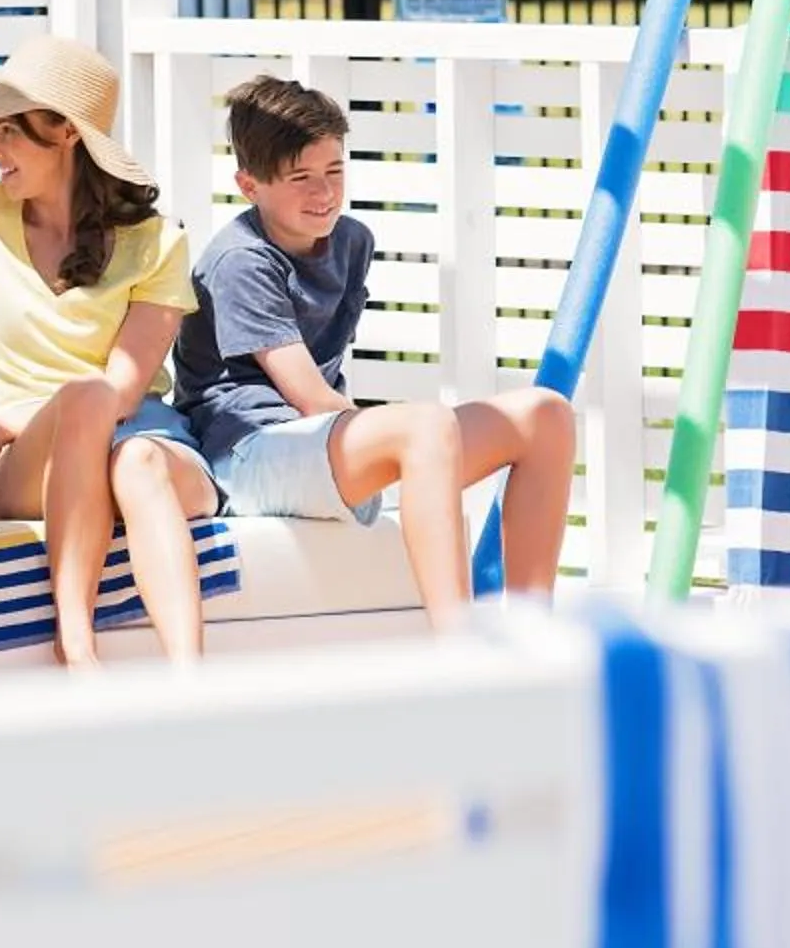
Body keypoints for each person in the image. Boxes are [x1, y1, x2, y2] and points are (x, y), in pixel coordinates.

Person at [172, 76, 577, 622]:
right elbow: (311, 397)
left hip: (322, 446)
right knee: (425, 428)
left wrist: (408, 448)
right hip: (247, 456)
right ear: (250, 185)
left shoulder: (351, 240)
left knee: (544, 415)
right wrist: (410, 443)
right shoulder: (240, 260)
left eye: (334, 171)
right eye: (301, 178)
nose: (324, 193)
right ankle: (456, 641)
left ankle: (533, 629)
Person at [0, 36, 209, 667]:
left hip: (137, 438)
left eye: (9, 133)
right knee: (87, 406)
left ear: (66, 132)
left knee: (131, 456)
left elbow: (122, 394)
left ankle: (192, 682)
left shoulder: (157, 242)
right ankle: (74, 639)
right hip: (25, 466)